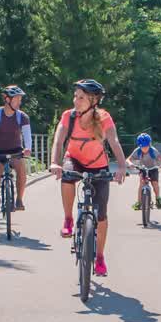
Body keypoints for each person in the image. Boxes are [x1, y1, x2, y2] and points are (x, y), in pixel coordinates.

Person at [48, 79, 127, 277]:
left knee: (102, 215)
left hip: (98, 165)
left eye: (81, 98)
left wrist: (122, 166)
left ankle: (99, 257)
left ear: (93, 101)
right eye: (75, 96)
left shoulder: (104, 118)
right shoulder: (69, 116)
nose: (76, 100)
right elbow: (58, 140)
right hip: (73, 159)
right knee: (67, 177)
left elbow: (114, 141)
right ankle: (68, 219)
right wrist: (55, 162)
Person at [0, 85, 32, 214]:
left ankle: (19, 199)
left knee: (21, 170)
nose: (19, 102)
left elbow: (27, 134)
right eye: (17, 99)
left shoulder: (22, 117)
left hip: (15, 151)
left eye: (20, 99)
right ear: (8, 99)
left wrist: (28, 148)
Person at [127, 133, 161, 210]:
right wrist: (130, 163)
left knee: (155, 183)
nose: (144, 148)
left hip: (153, 168)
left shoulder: (153, 151)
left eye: (146, 146)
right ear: (139, 146)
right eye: (142, 147)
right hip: (142, 169)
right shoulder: (137, 151)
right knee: (141, 184)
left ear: (149, 144)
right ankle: (139, 202)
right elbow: (128, 159)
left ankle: (158, 198)